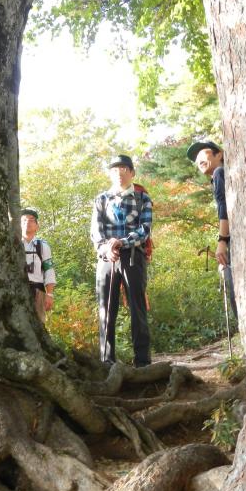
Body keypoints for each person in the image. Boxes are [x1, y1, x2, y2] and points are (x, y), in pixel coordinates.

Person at [90, 155, 153, 367]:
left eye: (124, 168)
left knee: (137, 308)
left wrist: (121, 242)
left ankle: (142, 361)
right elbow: (95, 231)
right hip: (106, 257)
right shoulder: (101, 199)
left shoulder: (142, 198)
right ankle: (107, 361)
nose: (119, 172)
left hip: (133, 255)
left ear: (132, 172)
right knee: (105, 308)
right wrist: (107, 247)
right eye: (115, 169)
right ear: (110, 173)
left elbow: (144, 230)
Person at [187, 140, 238, 317]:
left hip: (235, 241)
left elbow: (225, 208)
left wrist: (222, 242)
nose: (199, 159)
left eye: (204, 153)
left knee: (236, 296)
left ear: (219, 154)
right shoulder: (222, 174)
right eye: (196, 158)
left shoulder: (219, 172)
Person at [20, 208, 55, 323]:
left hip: (38, 291)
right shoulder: (12, 244)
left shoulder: (43, 246)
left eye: (31, 220)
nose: (27, 223)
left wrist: (49, 294)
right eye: (24, 220)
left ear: (37, 226)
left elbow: (49, 270)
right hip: (17, 289)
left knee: (38, 324)